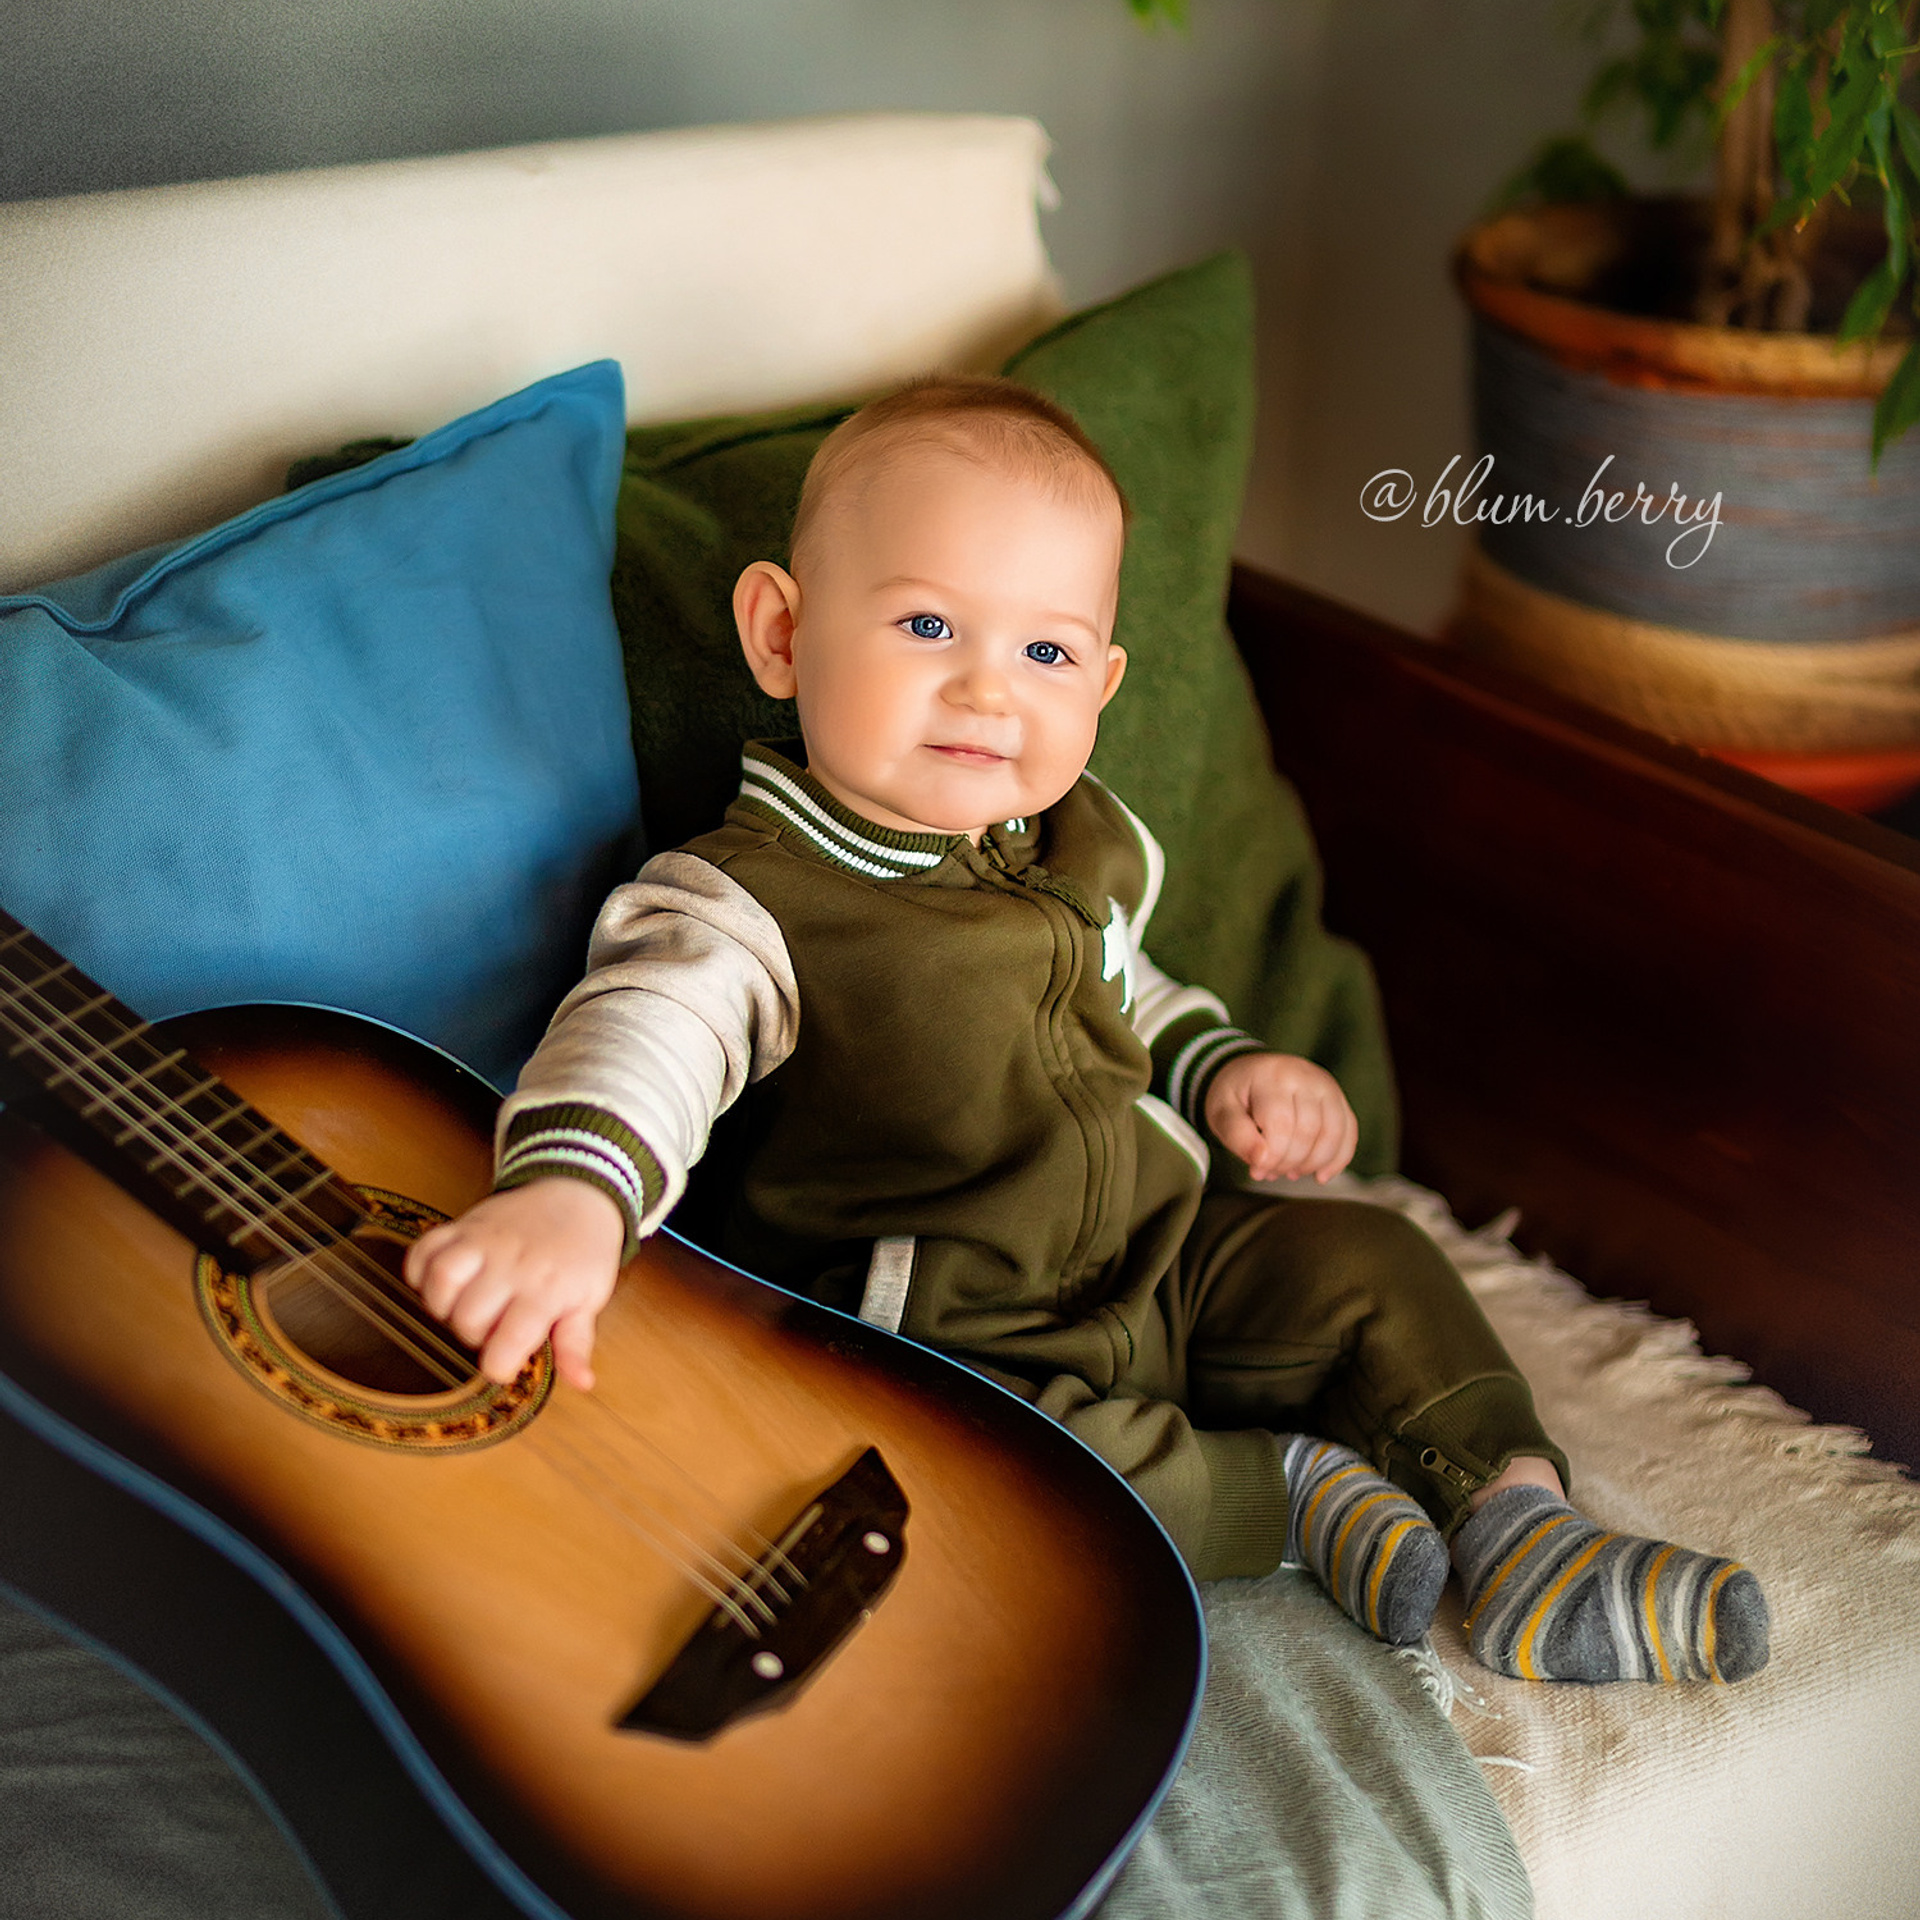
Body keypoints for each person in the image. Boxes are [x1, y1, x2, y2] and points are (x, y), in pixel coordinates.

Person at [404, 376, 1768, 1685]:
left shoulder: (1079, 842)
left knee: (1372, 1259)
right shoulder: (751, 899)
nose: (990, 692)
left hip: (1163, 1252)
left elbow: (1134, 988)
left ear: (1102, 683)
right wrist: (573, 1195)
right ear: (780, 633)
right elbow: (650, 1031)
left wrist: (1227, 1066)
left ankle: (1523, 1525)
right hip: (950, 1325)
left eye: (1044, 651)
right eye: (928, 628)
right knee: (992, 1476)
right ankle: (1284, 1497)